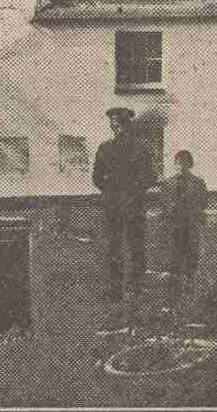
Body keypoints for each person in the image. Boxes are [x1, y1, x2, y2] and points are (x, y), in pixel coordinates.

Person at [92, 107, 156, 302]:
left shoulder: (135, 148)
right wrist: (123, 192)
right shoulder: (109, 148)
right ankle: (124, 288)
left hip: (124, 204)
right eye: (115, 124)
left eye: (119, 124)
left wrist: (114, 191)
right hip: (124, 203)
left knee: (126, 246)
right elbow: (97, 177)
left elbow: (149, 177)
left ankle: (127, 288)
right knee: (123, 246)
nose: (117, 127)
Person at [160, 150, 208, 304]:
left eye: (184, 162)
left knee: (192, 256)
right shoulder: (167, 183)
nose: (181, 166)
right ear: (175, 164)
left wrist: (193, 212)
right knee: (174, 257)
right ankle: (174, 290)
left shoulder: (198, 183)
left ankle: (190, 286)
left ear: (190, 164)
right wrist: (171, 211)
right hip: (175, 225)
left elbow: (203, 202)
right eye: (178, 163)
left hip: (191, 224)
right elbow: (163, 203)